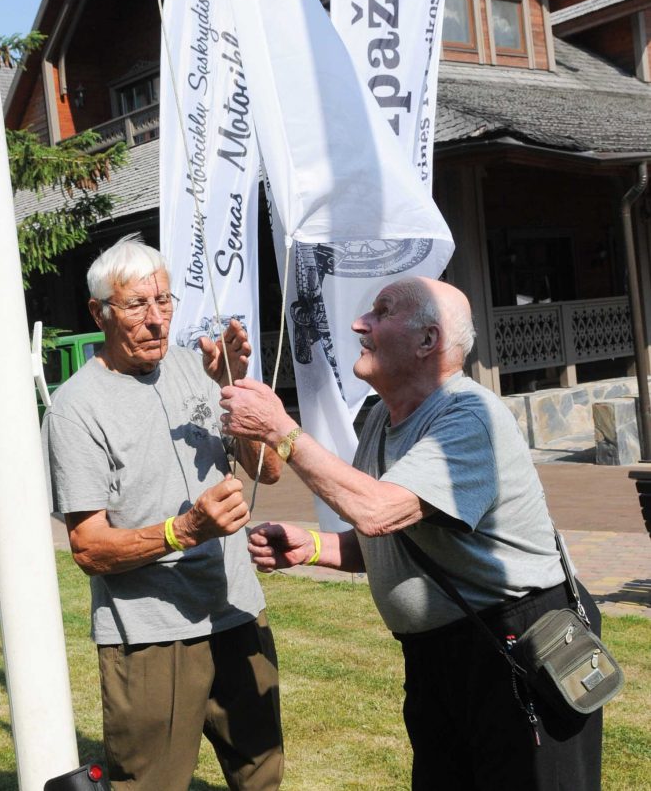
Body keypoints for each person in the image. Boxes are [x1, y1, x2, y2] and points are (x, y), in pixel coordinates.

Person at [220, 276, 602, 791]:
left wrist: (280, 431)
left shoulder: (471, 417)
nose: (360, 323)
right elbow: (390, 539)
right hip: (437, 655)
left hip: (517, 642)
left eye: (381, 311)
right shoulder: (381, 419)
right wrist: (311, 547)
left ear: (428, 341)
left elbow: (377, 511)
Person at [43, 235, 284, 791]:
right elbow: (88, 548)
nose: (157, 320)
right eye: (137, 306)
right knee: (151, 785)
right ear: (98, 312)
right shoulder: (76, 409)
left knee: (262, 776)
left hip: (236, 610)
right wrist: (186, 530)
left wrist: (234, 387)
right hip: (152, 633)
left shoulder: (197, 367)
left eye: (166, 301)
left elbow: (266, 471)